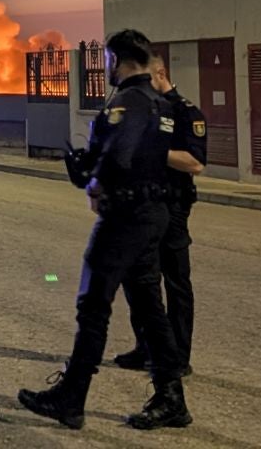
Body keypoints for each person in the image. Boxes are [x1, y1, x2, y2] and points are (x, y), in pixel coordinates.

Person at [20, 28, 191, 432]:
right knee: (150, 307)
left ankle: (71, 398)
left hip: (125, 217)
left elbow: (121, 155)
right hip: (153, 214)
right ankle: (171, 398)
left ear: (117, 60)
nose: (108, 69)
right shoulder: (161, 103)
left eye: (109, 62)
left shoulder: (129, 101)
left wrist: (97, 182)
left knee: (93, 305)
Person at [114, 54, 207, 377]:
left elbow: (195, 162)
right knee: (139, 280)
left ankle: (178, 356)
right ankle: (146, 346)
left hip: (173, 206)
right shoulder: (145, 110)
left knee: (175, 281)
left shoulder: (184, 111)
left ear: (161, 74)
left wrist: (151, 151)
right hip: (143, 206)